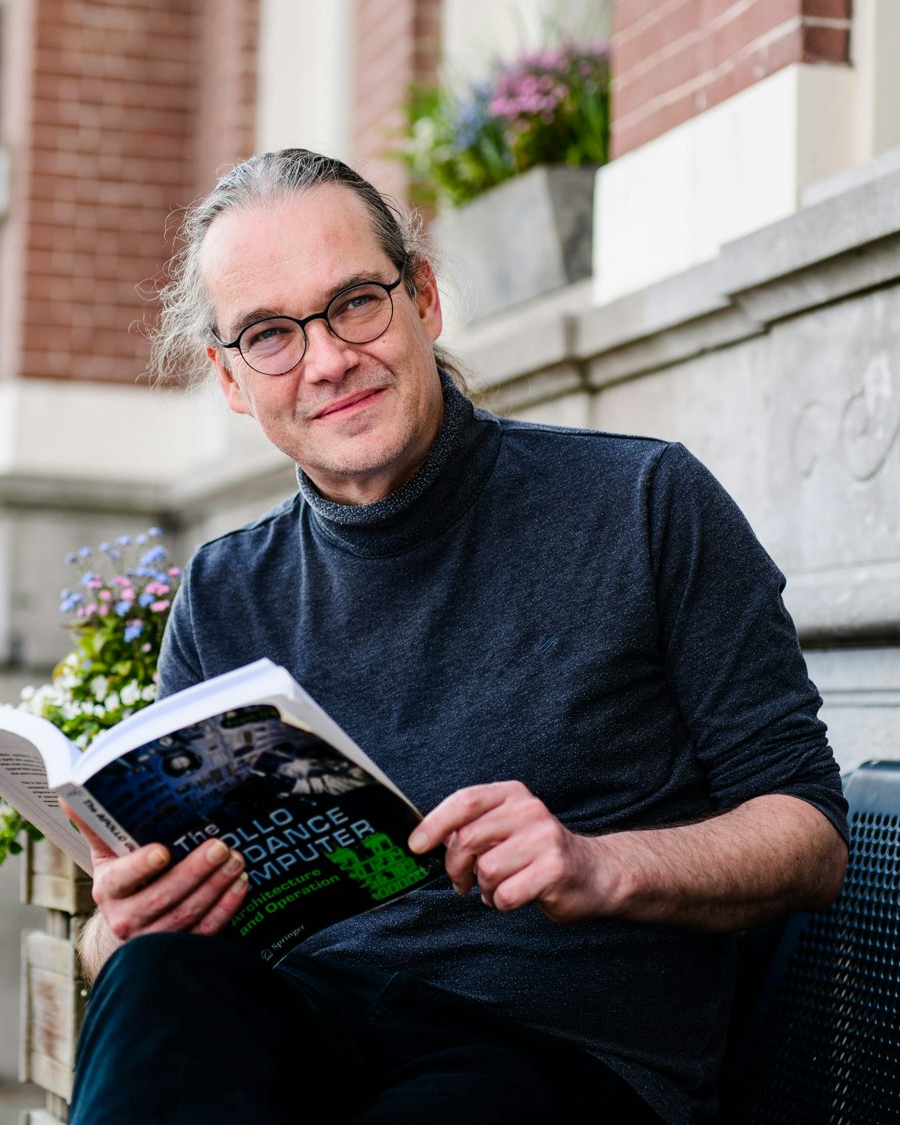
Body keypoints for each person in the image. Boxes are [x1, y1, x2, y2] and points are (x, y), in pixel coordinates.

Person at [63, 149, 848, 1125]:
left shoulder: (643, 504)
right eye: (270, 335)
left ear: (422, 298)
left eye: (354, 302)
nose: (326, 359)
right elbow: (145, 945)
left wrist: (602, 865)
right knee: (160, 979)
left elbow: (808, 836)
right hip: (309, 1034)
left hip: (557, 1060)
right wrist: (121, 932)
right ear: (228, 378)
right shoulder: (227, 589)